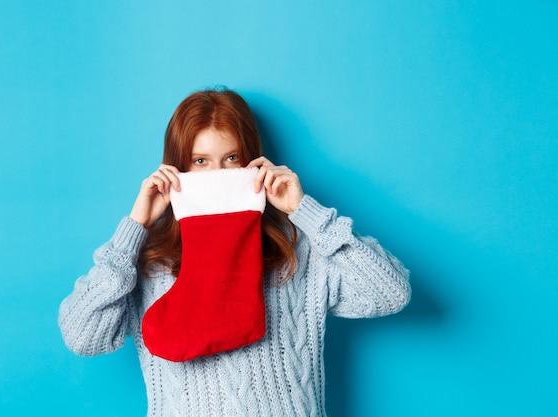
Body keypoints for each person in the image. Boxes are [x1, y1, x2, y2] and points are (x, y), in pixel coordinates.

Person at [58, 87, 411, 416]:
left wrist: (306, 211)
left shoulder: (298, 249)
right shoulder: (149, 263)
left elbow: (389, 293)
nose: (218, 175)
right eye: (200, 161)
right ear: (175, 168)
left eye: (231, 158)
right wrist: (134, 228)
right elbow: (84, 336)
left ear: (253, 162)